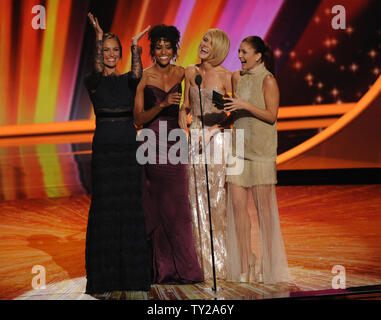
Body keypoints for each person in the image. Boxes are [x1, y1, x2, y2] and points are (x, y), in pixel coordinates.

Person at [84, 12, 151, 294]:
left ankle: (131, 274)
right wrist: (99, 36)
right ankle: (106, 275)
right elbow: (98, 70)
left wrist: (136, 45)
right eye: (105, 50)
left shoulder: (128, 80)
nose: (110, 55)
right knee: (106, 207)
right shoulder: (94, 81)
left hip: (127, 149)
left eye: (115, 50)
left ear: (121, 54)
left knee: (129, 207)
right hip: (104, 152)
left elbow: (137, 73)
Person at [134, 24, 203, 284]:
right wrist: (162, 104)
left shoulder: (184, 72)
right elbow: (138, 119)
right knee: (156, 205)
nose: (163, 51)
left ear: (175, 49)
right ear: (152, 50)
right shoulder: (144, 75)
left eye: (168, 46)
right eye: (158, 46)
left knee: (178, 206)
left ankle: (185, 269)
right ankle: (161, 269)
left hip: (176, 140)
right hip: (152, 140)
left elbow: (195, 98)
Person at [224, 36, 289, 284]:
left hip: (261, 152)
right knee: (238, 208)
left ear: (258, 56)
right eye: (239, 51)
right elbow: (237, 113)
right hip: (238, 149)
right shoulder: (236, 77)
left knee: (264, 212)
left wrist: (243, 104)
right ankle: (245, 260)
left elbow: (271, 116)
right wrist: (224, 116)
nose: (239, 56)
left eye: (244, 52)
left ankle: (268, 262)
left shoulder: (268, 80)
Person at [178, 29, 232, 280]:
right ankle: (198, 264)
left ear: (219, 48)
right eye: (203, 39)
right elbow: (185, 107)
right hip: (194, 139)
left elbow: (230, 113)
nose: (203, 44)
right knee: (194, 201)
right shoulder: (191, 72)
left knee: (215, 201)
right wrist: (184, 129)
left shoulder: (226, 77)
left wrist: (211, 131)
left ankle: (218, 264)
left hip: (216, 139)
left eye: (209, 42)